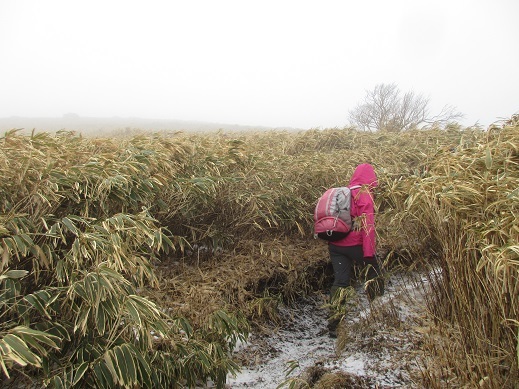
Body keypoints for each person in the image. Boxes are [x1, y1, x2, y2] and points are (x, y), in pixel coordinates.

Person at [327, 163, 384, 336]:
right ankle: (378, 313)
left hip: (336, 245)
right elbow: (368, 227)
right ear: (371, 178)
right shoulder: (364, 195)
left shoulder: (342, 192)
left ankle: (334, 325)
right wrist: (368, 254)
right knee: (375, 274)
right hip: (356, 246)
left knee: (341, 282)